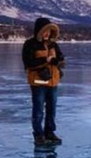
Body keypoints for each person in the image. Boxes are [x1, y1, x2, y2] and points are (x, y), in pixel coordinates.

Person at [22, 17, 65, 145]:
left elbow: (61, 59)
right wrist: (45, 61)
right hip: (38, 83)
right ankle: (38, 134)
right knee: (38, 109)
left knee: (52, 109)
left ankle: (49, 132)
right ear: (39, 31)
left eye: (49, 31)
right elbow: (29, 63)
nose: (47, 34)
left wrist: (57, 61)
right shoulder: (30, 44)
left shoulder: (53, 44)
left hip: (53, 82)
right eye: (45, 31)